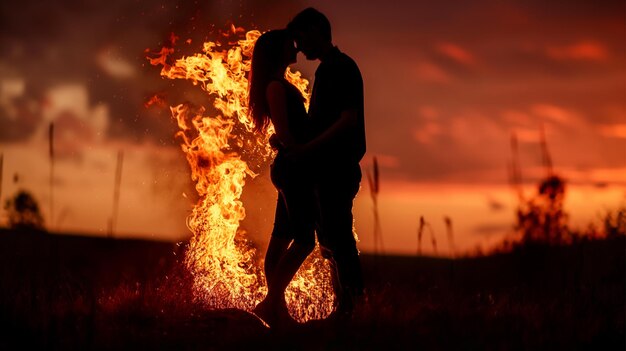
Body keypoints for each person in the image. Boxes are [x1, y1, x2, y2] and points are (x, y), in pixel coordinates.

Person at [286, 8, 366, 318]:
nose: (299, 46)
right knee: (332, 243)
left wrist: (308, 149)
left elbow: (348, 120)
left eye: (301, 36)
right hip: (326, 169)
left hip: (337, 168)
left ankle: (354, 311)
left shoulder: (340, 67)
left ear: (317, 30)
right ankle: (344, 311)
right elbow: (322, 121)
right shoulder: (328, 69)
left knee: (339, 242)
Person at [247, 29, 316, 327]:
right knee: (304, 241)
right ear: (278, 50)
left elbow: (281, 134)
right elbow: (287, 134)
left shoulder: (279, 84)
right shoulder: (275, 86)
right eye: (291, 43)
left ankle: (278, 310)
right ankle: (271, 302)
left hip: (290, 165)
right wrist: (307, 148)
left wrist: (284, 141)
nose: (297, 48)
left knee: (281, 239)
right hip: (293, 169)